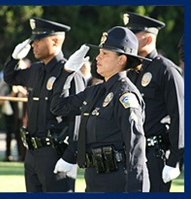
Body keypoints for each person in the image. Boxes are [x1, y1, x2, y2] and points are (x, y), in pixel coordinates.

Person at [50, 26, 150, 192]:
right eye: (99, 53)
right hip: (93, 180)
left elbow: (136, 148)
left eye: (105, 54)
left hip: (117, 182)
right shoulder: (95, 91)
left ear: (121, 60)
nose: (98, 58)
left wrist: (136, 191)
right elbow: (58, 107)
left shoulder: (126, 96)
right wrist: (67, 72)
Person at [3, 17, 85, 192]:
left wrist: (70, 157)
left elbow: (78, 119)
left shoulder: (70, 72)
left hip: (55, 153)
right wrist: (14, 58)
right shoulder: (35, 70)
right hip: (32, 153)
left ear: (55, 41)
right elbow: (10, 77)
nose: (34, 45)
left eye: (38, 40)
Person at [123, 12, 184, 192]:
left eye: (132, 36)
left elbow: (179, 116)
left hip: (155, 156)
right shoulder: (130, 71)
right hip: (129, 154)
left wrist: (174, 161)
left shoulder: (166, 70)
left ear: (148, 40)